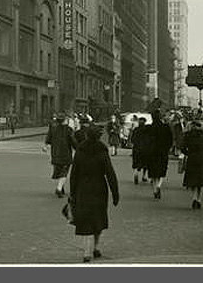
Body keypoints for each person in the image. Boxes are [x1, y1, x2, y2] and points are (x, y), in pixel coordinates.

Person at [69, 124, 119, 263]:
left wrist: (72, 192)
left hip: (82, 189)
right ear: (99, 136)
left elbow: (74, 174)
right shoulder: (102, 151)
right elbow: (110, 173)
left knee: (85, 220)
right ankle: (95, 247)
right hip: (99, 189)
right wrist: (115, 193)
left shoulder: (80, 151)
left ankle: (87, 251)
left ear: (86, 135)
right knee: (98, 219)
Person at [182, 119, 203, 209]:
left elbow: (183, 147)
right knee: (201, 180)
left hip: (192, 158)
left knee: (193, 179)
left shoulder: (188, 135)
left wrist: (188, 153)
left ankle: (194, 197)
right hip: (202, 158)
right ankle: (199, 199)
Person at [43, 112, 76, 197]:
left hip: (55, 154)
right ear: (65, 120)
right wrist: (78, 149)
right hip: (66, 154)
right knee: (64, 172)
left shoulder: (53, 129)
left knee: (59, 171)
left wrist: (45, 146)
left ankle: (61, 187)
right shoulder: (68, 130)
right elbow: (73, 142)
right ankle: (59, 188)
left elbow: (48, 139)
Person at [148, 109, 173, 199]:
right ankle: (159, 185)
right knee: (162, 171)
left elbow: (147, 141)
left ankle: (155, 189)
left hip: (152, 152)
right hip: (163, 151)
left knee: (153, 172)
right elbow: (170, 139)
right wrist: (168, 148)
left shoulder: (150, 128)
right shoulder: (165, 127)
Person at [130, 116, 150, 184]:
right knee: (145, 164)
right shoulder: (147, 130)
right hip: (145, 149)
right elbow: (149, 140)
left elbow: (132, 139)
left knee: (136, 162)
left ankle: (136, 173)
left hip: (136, 148)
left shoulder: (136, 130)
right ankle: (144, 176)